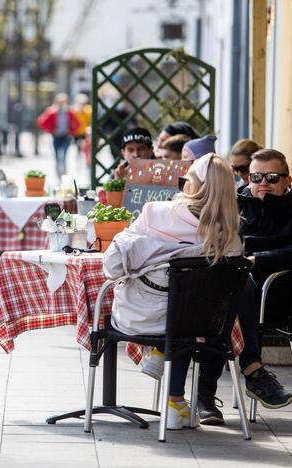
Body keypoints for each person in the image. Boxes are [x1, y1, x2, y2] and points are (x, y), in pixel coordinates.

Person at [103, 154, 243, 429]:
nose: (181, 186)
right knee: (183, 309)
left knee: (169, 306)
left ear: (197, 186)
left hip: (142, 316)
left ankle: (160, 358)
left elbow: (113, 264)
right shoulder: (231, 237)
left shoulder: (155, 212)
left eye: (185, 181)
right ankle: (175, 400)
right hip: (202, 324)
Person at [195, 148, 292, 426]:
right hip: (223, 297)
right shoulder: (231, 208)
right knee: (227, 291)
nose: (263, 182)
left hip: (271, 300)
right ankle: (253, 371)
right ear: (247, 179)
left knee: (235, 282)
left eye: (272, 177)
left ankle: (203, 396)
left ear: (288, 181)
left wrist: (255, 260)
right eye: (256, 176)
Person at [36, 93, 80, 180]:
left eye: (64, 102)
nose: (62, 104)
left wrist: (71, 131)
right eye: (60, 102)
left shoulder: (70, 111)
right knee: (56, 156)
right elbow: (41, 121)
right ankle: (58, 176)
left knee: (63, 155)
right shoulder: (52, 111)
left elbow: (78, 124)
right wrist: (51, 130)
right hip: (56, 136)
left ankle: (64, 175)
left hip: (66, 137)